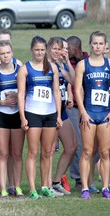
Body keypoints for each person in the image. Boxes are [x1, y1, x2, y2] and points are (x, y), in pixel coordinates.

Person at [17, 35, 62, 200]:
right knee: (32, 152)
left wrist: (58, 114)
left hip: (49, 114)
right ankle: (33, 188)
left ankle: (45, 186)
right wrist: (23, 117)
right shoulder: (25, 69)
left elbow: (56, 92)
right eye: (37, 50)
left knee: (47, 152)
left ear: (46, 50)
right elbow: (21, 94)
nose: (40, 53)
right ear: (31, 50)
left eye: (43, 50)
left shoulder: (53, 68)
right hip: (33, 114)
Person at [75, 31, 110, 199]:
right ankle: (85, 188)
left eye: (100, 44)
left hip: (105, 115)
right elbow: (77, 89)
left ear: (105, 46)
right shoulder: (83, 64)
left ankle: (105, 187)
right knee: (87, 152)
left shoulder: (109, 64)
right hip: (88, 113)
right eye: (95, 43)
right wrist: (82, 112)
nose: (97, 46)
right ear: (90, 44)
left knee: (105, 152)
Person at [0, 40, 25, 198]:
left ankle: (17, 187)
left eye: (8, 53)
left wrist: (17, 95)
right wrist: (3, 102)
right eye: (2, 53)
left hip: (17, 115)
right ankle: (4, 188)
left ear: (12, 53)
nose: (5, 56)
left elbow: (26, 91)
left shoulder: (20, 69)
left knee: (17, 154)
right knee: (3, 153)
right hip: (1, 116)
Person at [46, 37, 77, 196]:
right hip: (48, 112)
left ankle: (56, 181)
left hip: (63, 111)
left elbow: (73, 80)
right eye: (55, 49)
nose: (58, 52)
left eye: (60, 49)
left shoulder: (61, 64)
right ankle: (47, 185)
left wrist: (66, 62)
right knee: (49, 150)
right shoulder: (44, 65)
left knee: (72, 146)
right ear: (48, 48)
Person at [66, 36, 91, 190]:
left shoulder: (87, 61)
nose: (65, 52)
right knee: (79, 144)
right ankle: (78, 178)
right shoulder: (70, 63)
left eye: (67, 49)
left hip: (93, 108)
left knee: (94, 146)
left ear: (75, 49)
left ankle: (90, 175)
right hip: (74, 107)